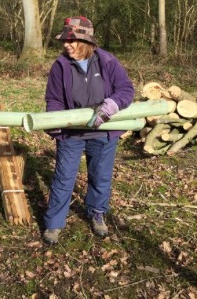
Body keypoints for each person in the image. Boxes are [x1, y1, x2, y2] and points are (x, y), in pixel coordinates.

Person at [42, 16, 134, 245]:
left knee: (100, 177)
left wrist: (111, 105)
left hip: (104, 131)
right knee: (64, 177)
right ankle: (54, 223)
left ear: (86, 42)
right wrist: (54, 121)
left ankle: (96, 213)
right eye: (65, 41)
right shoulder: (60, 66)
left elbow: (126, 90)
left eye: (72, 40)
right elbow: (53, 99)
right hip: (71, 133)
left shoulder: (107, 61)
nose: (66, 45)